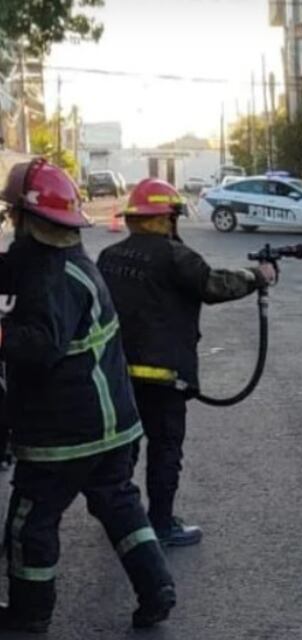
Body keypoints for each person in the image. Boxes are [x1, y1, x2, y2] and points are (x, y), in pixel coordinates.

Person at [0, 159, 175, 632]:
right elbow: (9, 269)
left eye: (12, 214)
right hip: (114, 427)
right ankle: (156, 586)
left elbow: (38, 345)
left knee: (30, 523)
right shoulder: (58, 260)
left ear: (26, 218)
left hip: (66, 433)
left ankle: (28, 616)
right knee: (120, 506)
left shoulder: (50, 279)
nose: (10, 223)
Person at [98, 178, 275, 548]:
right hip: (164, 377)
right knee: (164, 449)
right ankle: (161, 524)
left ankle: (122, 520)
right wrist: (258, 277)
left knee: (124, 447)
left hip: (117, 375)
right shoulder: (176, 256)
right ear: (168, 218)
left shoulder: (109, 257)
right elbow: (212, 285)